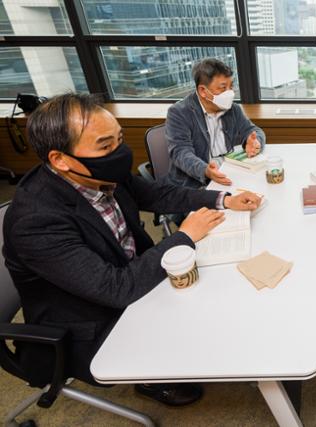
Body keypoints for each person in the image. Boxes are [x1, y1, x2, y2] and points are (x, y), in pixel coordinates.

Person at [2, 93, 261, 406]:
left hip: (128, 277)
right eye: (105, 145)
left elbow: (158, 195)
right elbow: (115, 289)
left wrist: (222, 199)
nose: (119, 152)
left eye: (119, 139)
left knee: (225, 288)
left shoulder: (98, 171)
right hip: (86, 324)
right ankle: (152, 379)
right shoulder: (36, 220)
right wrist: (183, 236)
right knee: (206, 313)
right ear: (60, 159)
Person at [166, 58, 266, 190]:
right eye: (223, 88)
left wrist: (254, 141)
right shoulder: (179, 112)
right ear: (203, 91)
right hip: (196, 183)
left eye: (231, 86)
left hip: (229, 172)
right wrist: (205, 170)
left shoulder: (233, 109)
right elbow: (180, 152)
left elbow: (253, 131)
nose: (230, 93)